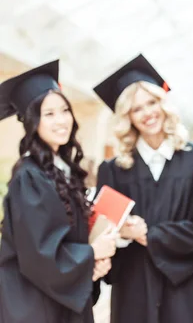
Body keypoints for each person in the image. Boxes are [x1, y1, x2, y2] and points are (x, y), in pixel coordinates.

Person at [93, 54, 193, 323]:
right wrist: (123, 234)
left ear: (163, 104)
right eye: (137, 109)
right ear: (127, 117)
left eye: (152, 102)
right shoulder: (113, 170)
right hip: (135, 285)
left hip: (186, 285)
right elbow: (102, 234)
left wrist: (148, 233)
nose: (148, 113)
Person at [0, 60, 116, 323]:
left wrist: (92, 269)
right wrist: (92, 254)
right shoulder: (29, 178)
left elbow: (68, 241)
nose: (61, 120)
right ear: (32, 122)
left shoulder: (62, 172)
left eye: (64, 110)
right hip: (35, 307)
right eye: (48, 114)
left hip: (59, 303)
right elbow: (40, 254)